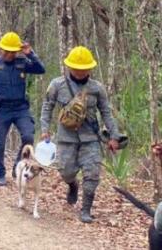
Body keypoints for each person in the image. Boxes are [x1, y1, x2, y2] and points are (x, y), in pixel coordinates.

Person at [40, 46, 121, 223]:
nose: (79, 71)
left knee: (92, 174)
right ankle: (72, 185)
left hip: (90, 138)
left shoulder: (97, 88)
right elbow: (47, 106)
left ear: (90, 69)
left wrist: (114, 136)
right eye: (76, 68)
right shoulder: (57, 85)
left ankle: (86, 210)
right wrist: (44, 129)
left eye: (83, 69)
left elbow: (106, 112)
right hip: (65, 138)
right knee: (66, 171)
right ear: (69, 67)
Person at [0, 31, 46, 186]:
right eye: (7, 51)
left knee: (28, 136)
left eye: (13, 51)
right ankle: (0, 174)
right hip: (2, 110)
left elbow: (41, 69)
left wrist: (30, 53)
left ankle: (17, 167)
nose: (10, 54)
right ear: (2, 50)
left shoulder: (22, 62)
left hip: (21, 108)